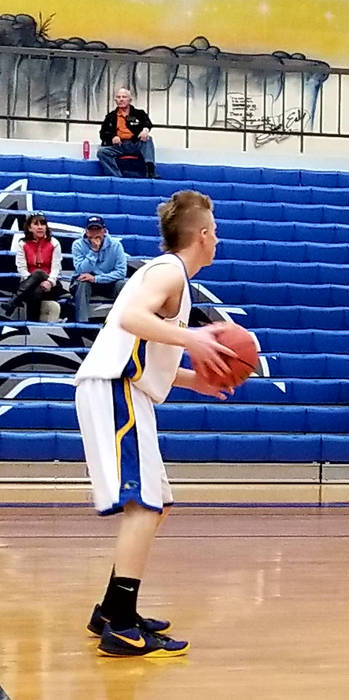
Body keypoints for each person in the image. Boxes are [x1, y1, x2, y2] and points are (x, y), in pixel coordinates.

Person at [75, 190, 235, 656]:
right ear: (202, 235)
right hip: (114, 388)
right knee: (143, 505)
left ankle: (111, 608)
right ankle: (122, 626)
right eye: (216, 231)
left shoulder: (169, 276)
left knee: (156, 503)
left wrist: (195, 380)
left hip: (124, 387)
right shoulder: (169, 271)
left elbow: (151, 355)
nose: (218, 239)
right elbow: (131, 318)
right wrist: (195, 338)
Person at [1, 212, 69, 321]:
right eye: (36, 224)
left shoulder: (54, 243)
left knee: (39, 273)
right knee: (36, 287)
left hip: (51, 285)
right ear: (29, 228)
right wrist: (35, 280)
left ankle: (14, 302)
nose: (40, 227)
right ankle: (33, 322)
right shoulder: (22, 244)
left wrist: (50, 282)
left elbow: (56, 268)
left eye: (42, 224)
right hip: (30, 284)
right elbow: (21, 268)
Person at [71, 216, 128, 323]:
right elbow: (81, 270)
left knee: (123, 285)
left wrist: (96, 278)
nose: (94, 233)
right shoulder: (77, 245)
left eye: (97, 229)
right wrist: (94, 251)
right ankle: (81, 322)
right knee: (82, 282)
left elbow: (121, 272)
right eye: (91, 230)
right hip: (87, 283)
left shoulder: (116, 246)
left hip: (108, 283)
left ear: (104, 231)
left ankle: (125, 321)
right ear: (86, 232)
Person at [98, 88, 157, 178]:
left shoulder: (139, 113)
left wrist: (145, 130)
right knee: (101, 152)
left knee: (148, 139)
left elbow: (147, 123)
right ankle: (116, 176)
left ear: (130, 100)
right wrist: (113, 137)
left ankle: (150, 171)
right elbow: (103, 133)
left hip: (135, 143)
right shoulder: (110, 116)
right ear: (115, 100)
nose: (121, 99)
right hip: (119, 146)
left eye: (124, 97)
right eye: (118, 97)